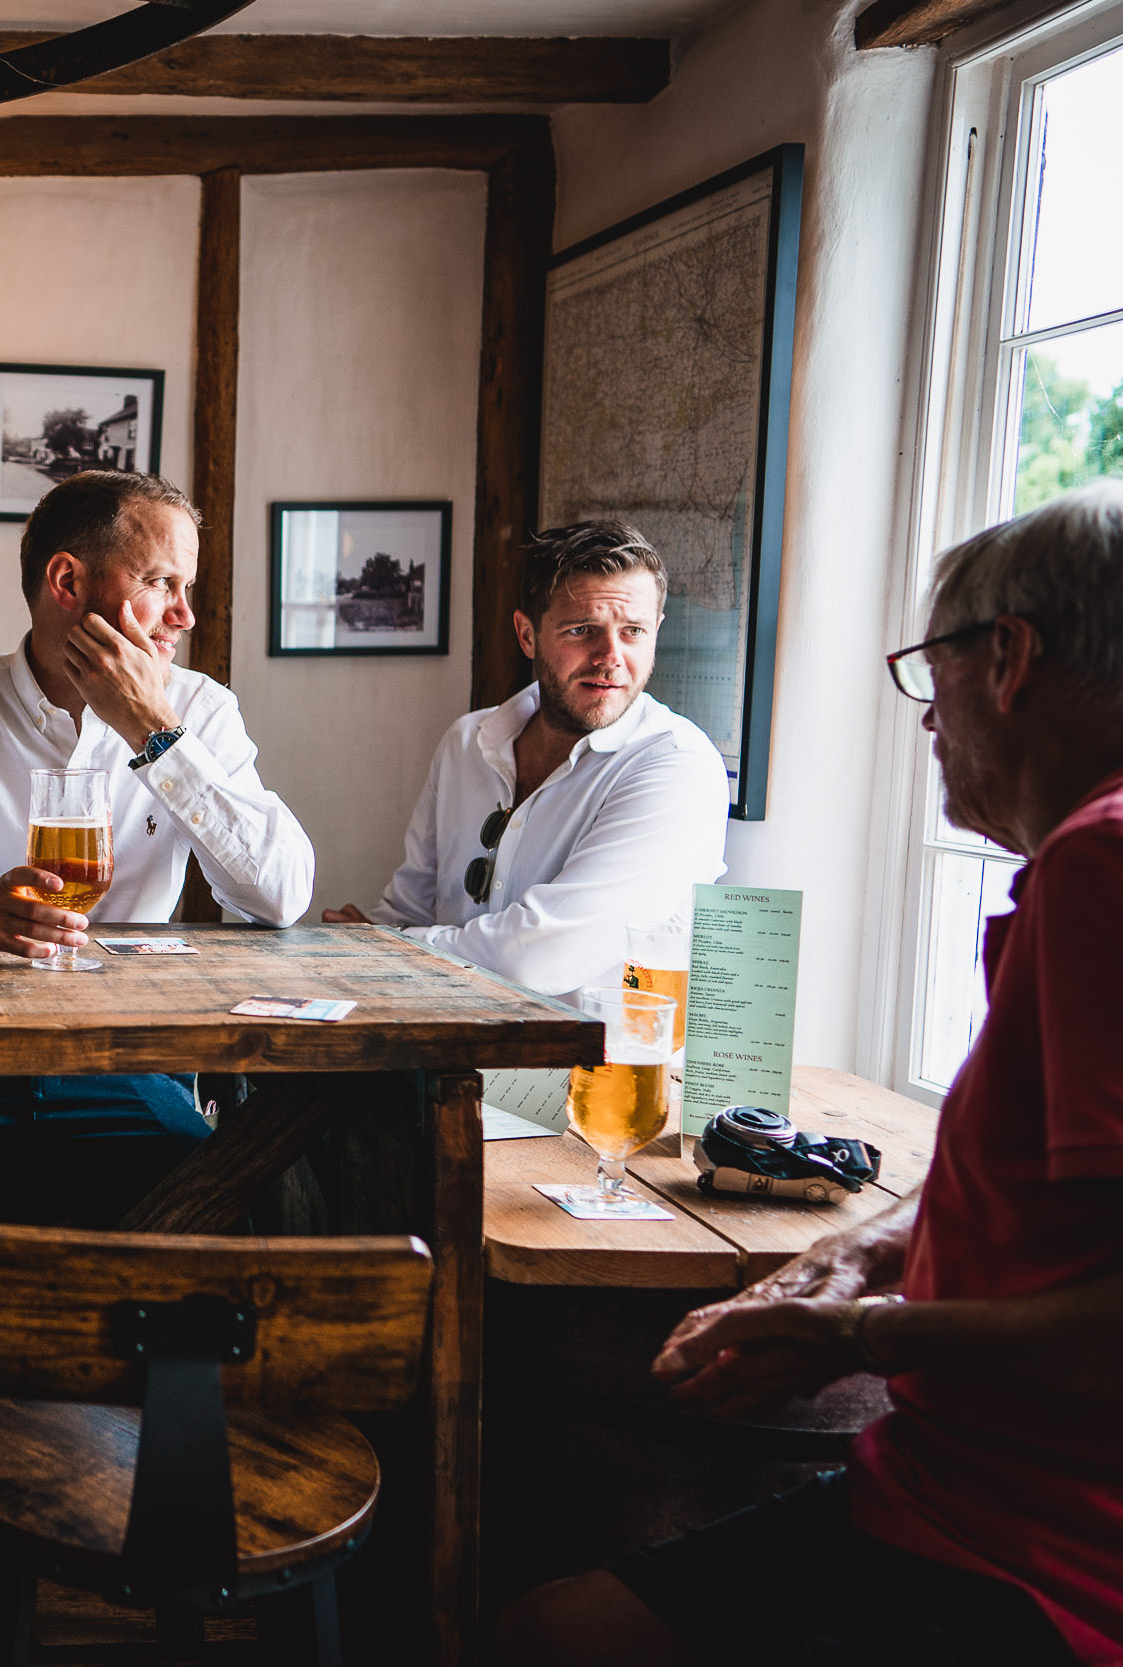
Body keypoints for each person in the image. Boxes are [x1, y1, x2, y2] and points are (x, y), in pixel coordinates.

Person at [496, 483, 1123, 1667]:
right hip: (951, 1490)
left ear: (1013, 658)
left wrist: (861, 1339)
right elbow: (1058, 1214)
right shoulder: (1071, 864)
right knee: (550, 1626)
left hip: (1033, 1552)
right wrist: (855, 1252)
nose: (927, 722)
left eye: (927, 672)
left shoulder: (1102, 866)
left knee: (546, 1634)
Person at [0, 469, 313, 1396]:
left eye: (186, 590)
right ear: (69, 583)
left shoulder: (196, 710)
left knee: (196, 1229)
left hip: (126, 1066)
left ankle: (138, 1480)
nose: (184, 616)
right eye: (163, 582)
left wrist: (154, 733)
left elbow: (278, 894)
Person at [321, 519, 727, 998]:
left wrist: (383, 947)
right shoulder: (466, 742)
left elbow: (540, 958)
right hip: (446, 1050)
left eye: (633, 631)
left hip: (591, 1070)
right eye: (582, 630)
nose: (610, 656)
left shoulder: (678, 767)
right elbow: (407, 911)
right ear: (527, 634)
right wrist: (364, 944)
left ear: (656, 630)